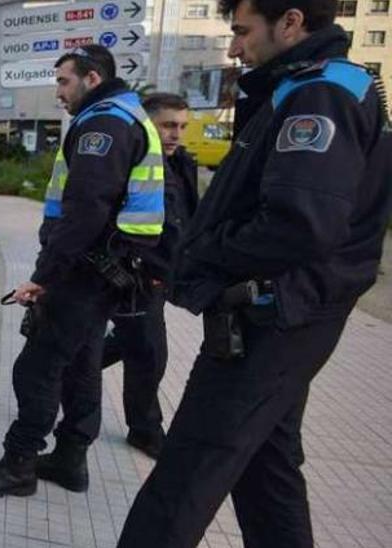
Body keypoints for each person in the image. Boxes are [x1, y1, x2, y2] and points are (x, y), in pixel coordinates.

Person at [117, 0, 392, 544]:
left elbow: (298, 224)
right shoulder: (308, 86)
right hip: (289, 309)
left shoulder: (322, 95)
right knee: (267, 470)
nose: (234, 48)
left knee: (187, 471)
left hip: (273, 315)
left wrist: (204, 252)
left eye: (243, 32)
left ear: (290, 22)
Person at [0, 45, 167, 497]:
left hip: (83, 270)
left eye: (63, 80)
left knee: (36, 368)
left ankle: (20, 464)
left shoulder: (104, 124)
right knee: (82, 365)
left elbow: (85, 211)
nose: (58, 91)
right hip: (104, 268)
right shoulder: (126, 116)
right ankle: (71, 460)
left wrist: (44, 276)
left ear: (92, 79)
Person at [99, 93, 200, 459]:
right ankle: (144, 430)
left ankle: (65, 367)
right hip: (136, 275)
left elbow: (185, 220)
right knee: (149, 353)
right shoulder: (133, 161)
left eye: (182, 127)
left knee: (135, 345)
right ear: (149, 124)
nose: (176, 134)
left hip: (160, 275)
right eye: (168, 125)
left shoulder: (180, 163)